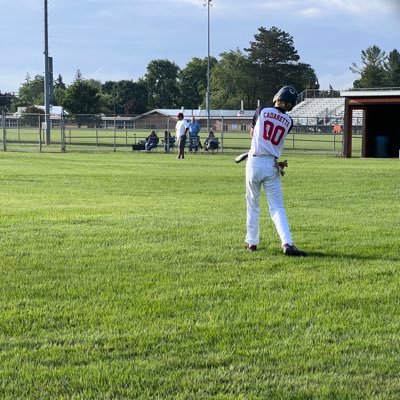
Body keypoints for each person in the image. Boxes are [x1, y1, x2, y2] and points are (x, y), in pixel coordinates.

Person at [244, 86, 307, 256]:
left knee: (252, 204)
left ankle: (252, 243)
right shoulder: (289, 121)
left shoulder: (262, 110)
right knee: (277, 207)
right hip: (272, 164)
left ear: (277, 97)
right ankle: (287, 243)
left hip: (255, 161)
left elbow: (252, 134)